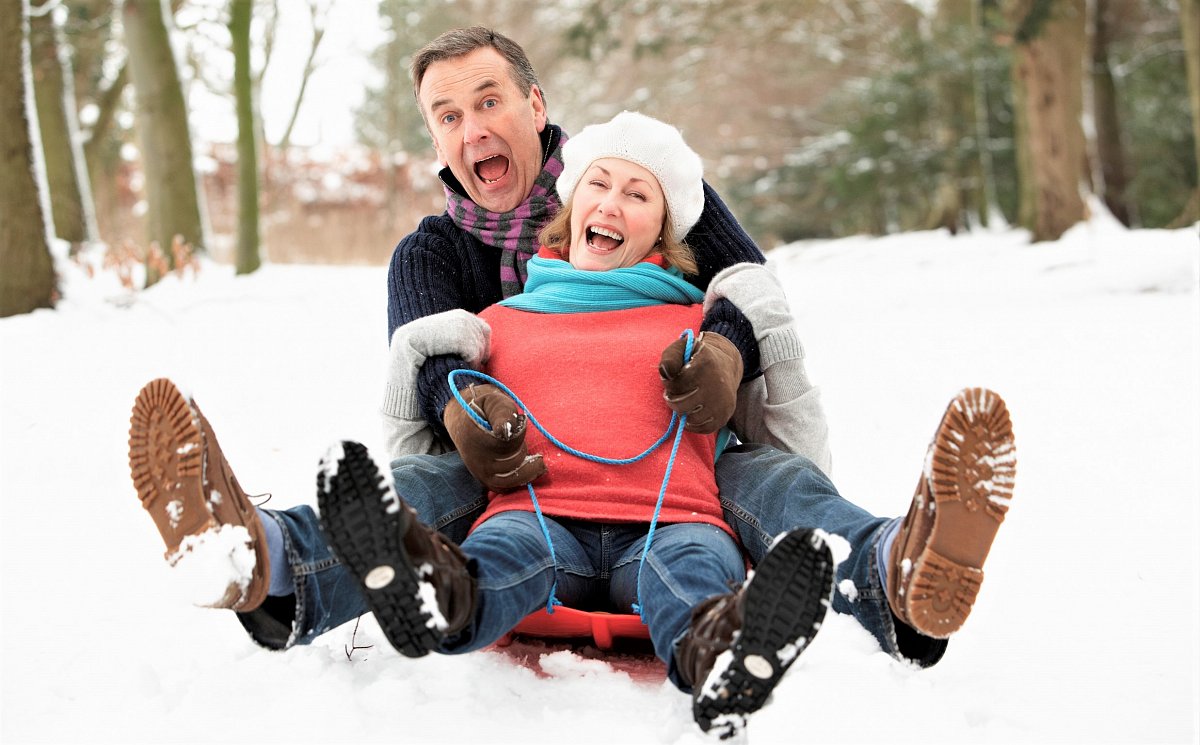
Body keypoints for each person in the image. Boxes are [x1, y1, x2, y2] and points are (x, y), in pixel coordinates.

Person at [128, 24, 1014, 725]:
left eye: (488, 100)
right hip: (516, 485)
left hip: (675, 496)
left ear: (535, 103)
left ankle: (858, 587)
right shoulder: (456, 282)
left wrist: (729, 348)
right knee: (437, 490)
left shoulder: (647, 200)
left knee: (751, 491)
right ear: (436, 137)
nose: (471, 128)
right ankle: (282, 554)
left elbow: (755, 295)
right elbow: (427, 359)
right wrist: (458, 397)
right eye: (446, 115)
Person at [317, 111, 837, 737]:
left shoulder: (701, 323)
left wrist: (748, 345)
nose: (612, 204)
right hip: (537, 515)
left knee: (694, 573)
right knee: (499, 558)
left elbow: (782, 443)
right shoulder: (497, 322)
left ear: (666, 234)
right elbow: (435, 449)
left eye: (638, 193)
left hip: (672, 521)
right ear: (569, 210)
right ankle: (438, 597)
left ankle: (722, 656)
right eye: (598, 184)